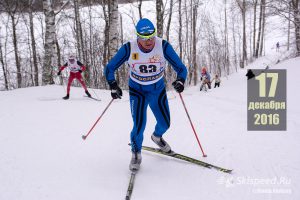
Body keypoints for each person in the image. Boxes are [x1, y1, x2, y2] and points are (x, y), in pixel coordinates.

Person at [104, 18, 187, 172]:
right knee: (139, 125)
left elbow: (181, 68)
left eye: (151, 37)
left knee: (165, 123)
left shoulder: (163, 46)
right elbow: (110, 68)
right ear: (137, 36)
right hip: (138, 91)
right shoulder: (129, 48)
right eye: (144, 38)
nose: (148, 41)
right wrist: (113, 84)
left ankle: (157, 137)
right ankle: (136, 152)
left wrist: (181, 80)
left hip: (157, 90)